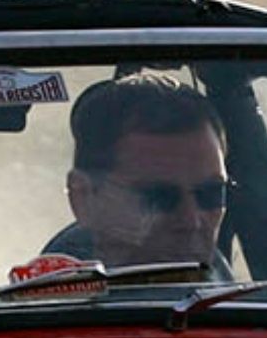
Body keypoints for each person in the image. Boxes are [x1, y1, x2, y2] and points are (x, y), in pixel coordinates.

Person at [45, 69, 233, 272]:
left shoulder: (220, 282)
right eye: (158, 198)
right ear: (83, 197)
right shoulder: (56, 303)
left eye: (212, 193)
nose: (191, 221)